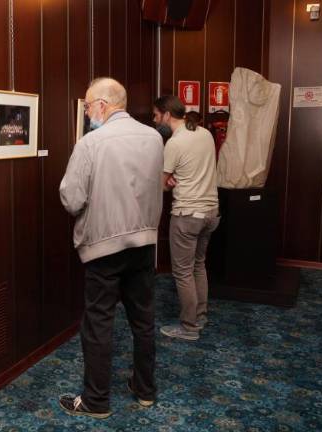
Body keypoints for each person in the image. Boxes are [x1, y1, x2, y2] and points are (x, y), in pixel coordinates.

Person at [58, 77, 164, 419]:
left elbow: (72, 199)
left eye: (87, 106)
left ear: (102, 105)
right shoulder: (154, 137)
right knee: (143, 320)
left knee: (99, 324)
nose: (87, 113)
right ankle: (145, 390)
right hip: (145, 244)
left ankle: (96, 401)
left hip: (104, 247)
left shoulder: (91, 143)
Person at [153, 95, 220, 342]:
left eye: (156, 115)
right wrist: (171, 179)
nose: (155, 120)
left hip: (187, 216)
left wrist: (168, 182)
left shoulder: (174, 143)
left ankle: (189, 327)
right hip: (211, 213)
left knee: (182, 272)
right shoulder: (204, 133)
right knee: (198, 265)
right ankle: (200, 315)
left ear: (167, 115)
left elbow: (162, 186)